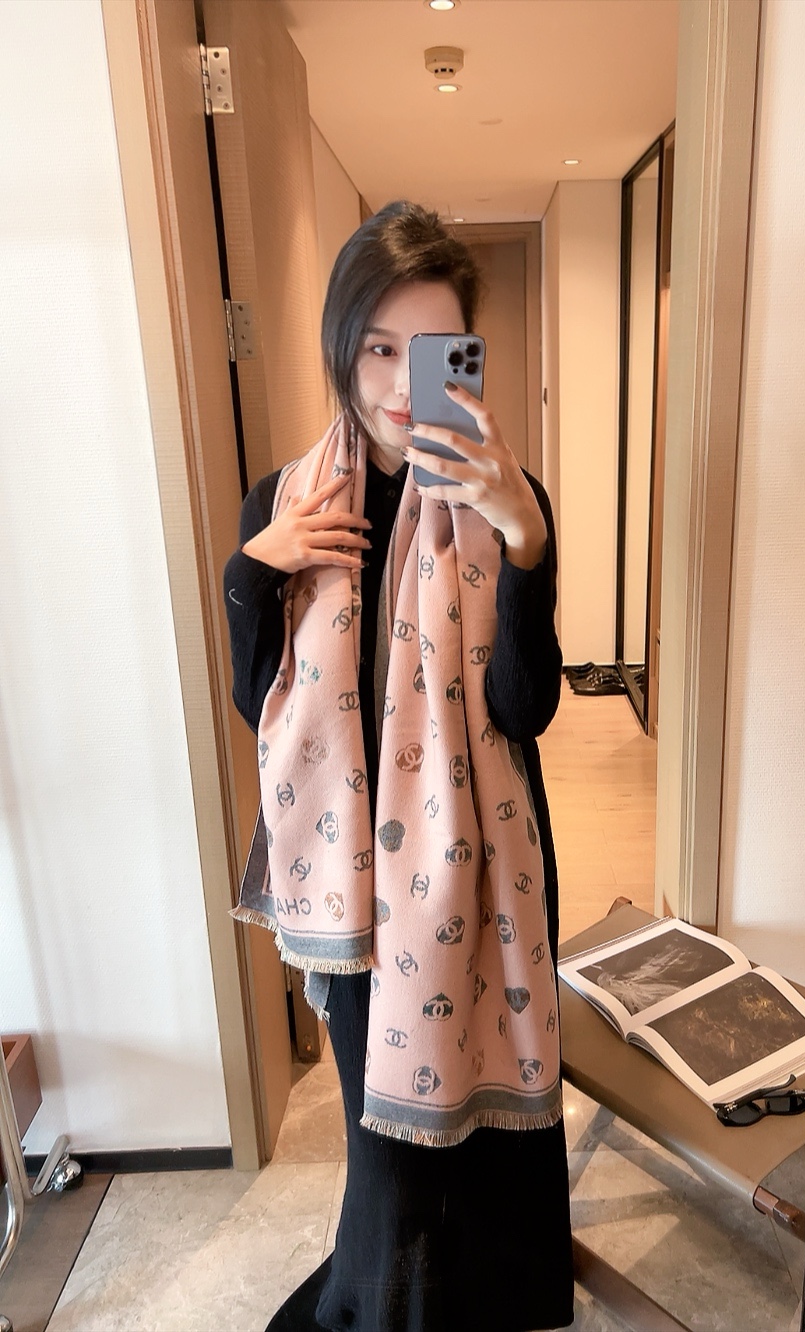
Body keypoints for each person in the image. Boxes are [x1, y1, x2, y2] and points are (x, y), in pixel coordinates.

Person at [223, 201, 574, 1332]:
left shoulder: (507, 498)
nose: (396, 387)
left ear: (464, 358)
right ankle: (382, 1301)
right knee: (391, 1152)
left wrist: (523, 542)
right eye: (376, 348)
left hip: (479, 867)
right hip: (350, 883)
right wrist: (254, 571)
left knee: (465, 1143)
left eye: (427, 353)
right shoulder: (287, 503)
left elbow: (525, 707)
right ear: (340, 346)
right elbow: (260, 709)